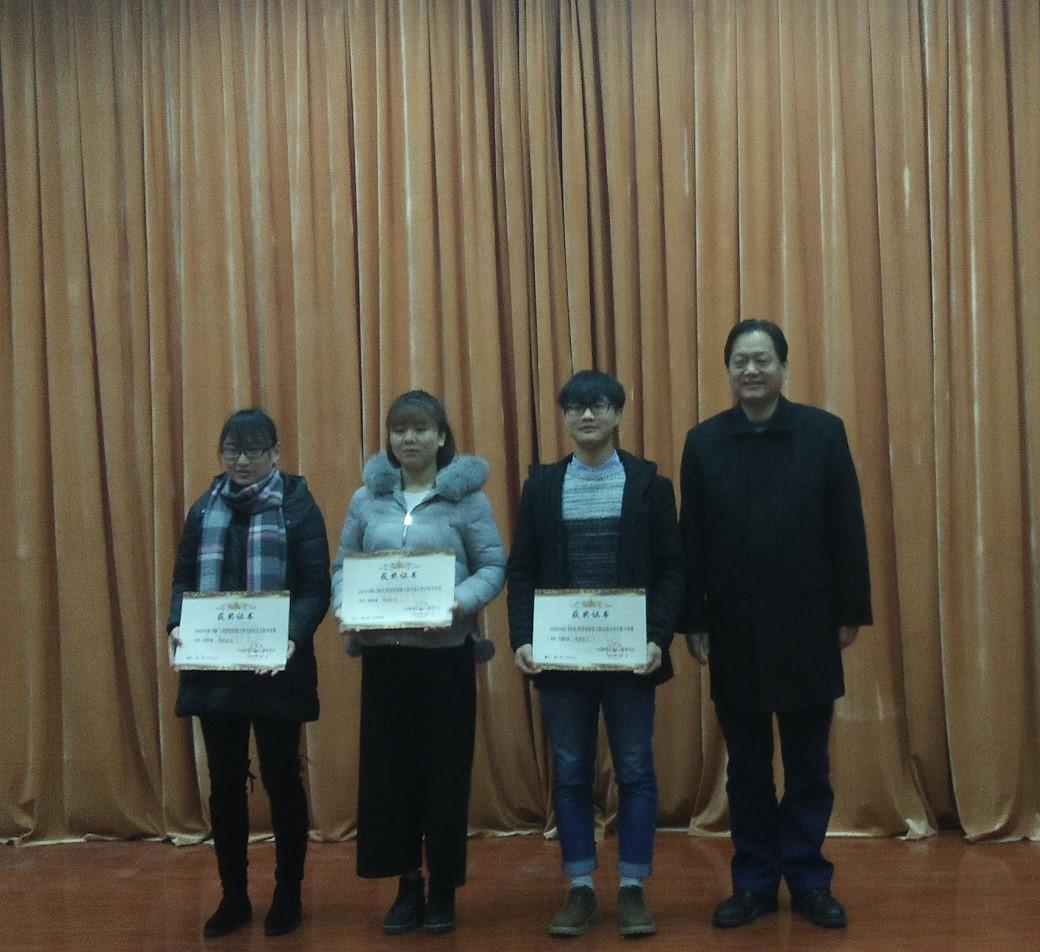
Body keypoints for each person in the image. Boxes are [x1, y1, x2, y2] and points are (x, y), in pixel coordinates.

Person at [677, 319, 872, 931]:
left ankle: (810, 880)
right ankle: (755, 883)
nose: (752, 371)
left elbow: (847, 526)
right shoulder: (703, 442)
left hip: (808, 625)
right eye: (741, 361)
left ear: (784, 368)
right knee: (748, 770)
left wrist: (850, 610)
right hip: (734, 630)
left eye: (763, 359)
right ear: (728, 371)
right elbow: (691, 541)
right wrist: (694, 619)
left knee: (809, 766)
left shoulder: (823, 432)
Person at [506, 370, 684, 938]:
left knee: (634, 770)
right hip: (562, 660)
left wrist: (657, 637)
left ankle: (633, 887)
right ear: (564, 417)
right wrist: (523, 637)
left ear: (618, 414)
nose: (587, 416)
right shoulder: (541, 486)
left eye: (599, 405)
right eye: (576, 407)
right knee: (572, 773)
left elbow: (672, 571)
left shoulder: (650, 485)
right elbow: (521, 570)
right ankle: (580, 886)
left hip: (630, 657)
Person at [332, 390, 506, 936]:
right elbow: (343, 566)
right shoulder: (366, 500)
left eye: (421, 429)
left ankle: (443, 890)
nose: (409, 439)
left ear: (441, 437)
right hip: (386, 662)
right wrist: (345, 605)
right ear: (389, 438)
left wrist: (461, 600)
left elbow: (493, 565)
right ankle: (406, 886)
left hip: (445, 660)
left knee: (444, 776)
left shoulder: (468, 501)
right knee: (391, 777)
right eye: (400, 430)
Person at [166, 408, 331, 939]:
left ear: (276, 453)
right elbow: (183, 580)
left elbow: (316, 589)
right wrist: (177, 624)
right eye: (232, 450)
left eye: (254, 450)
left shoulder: (298, 507)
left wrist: (293, 635)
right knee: (224, 786)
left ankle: (288, 895)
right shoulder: (204, 508)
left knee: (283, 780)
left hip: (277, 667)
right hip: (215, 673)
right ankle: (233, 897)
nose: (241, 460)